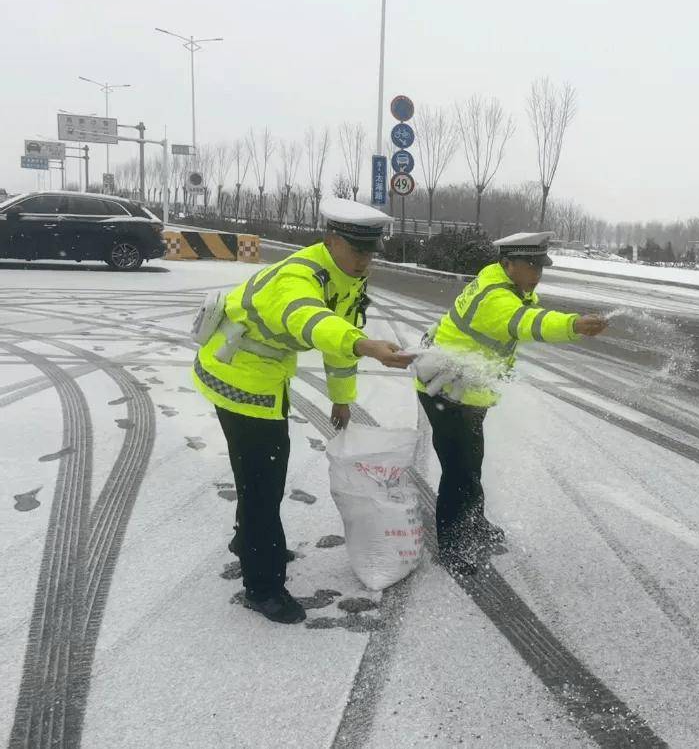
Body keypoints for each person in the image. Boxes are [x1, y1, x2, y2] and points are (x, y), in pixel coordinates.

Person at [192, 197, 414, 624]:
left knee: (259, 472)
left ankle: (248, 542)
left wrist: (342, 396)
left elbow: (339, 337)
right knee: (263, 481)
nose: (366, 261)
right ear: (331, 241)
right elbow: (309, 320)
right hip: (237, 375)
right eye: (358, 250)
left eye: (371, 252)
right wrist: (365, 345)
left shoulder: (347, 277)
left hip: (263, 371)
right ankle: (263, 586)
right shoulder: (297, 276)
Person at [413, 231, 608, 575]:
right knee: (459, 470)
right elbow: (527, 324)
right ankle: (453, 545)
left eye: (540, 267)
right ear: (507, 264)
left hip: (465, 391)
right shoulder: (495, 298)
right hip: (446, 393)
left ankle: (474, 522)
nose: (537, 274)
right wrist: (573, 325)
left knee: (471, 462)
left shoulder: (506, 286)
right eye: (531, 266)